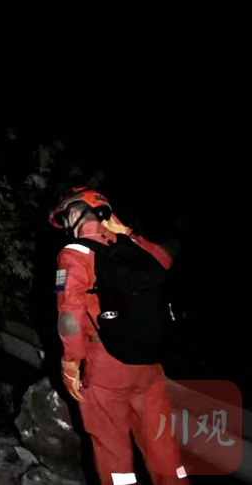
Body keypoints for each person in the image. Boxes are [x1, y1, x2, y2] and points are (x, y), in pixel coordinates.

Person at [50, 187, 187, 485]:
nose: (66, 223)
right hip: (149, 363)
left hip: (105, 367)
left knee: (114, 457)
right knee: (163, 449)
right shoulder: (134, 248)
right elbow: (165, 260)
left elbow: (69, 318)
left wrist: (71, 364)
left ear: (76, 213)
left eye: (67, 215)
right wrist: (128, 231)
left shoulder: (74, 253)